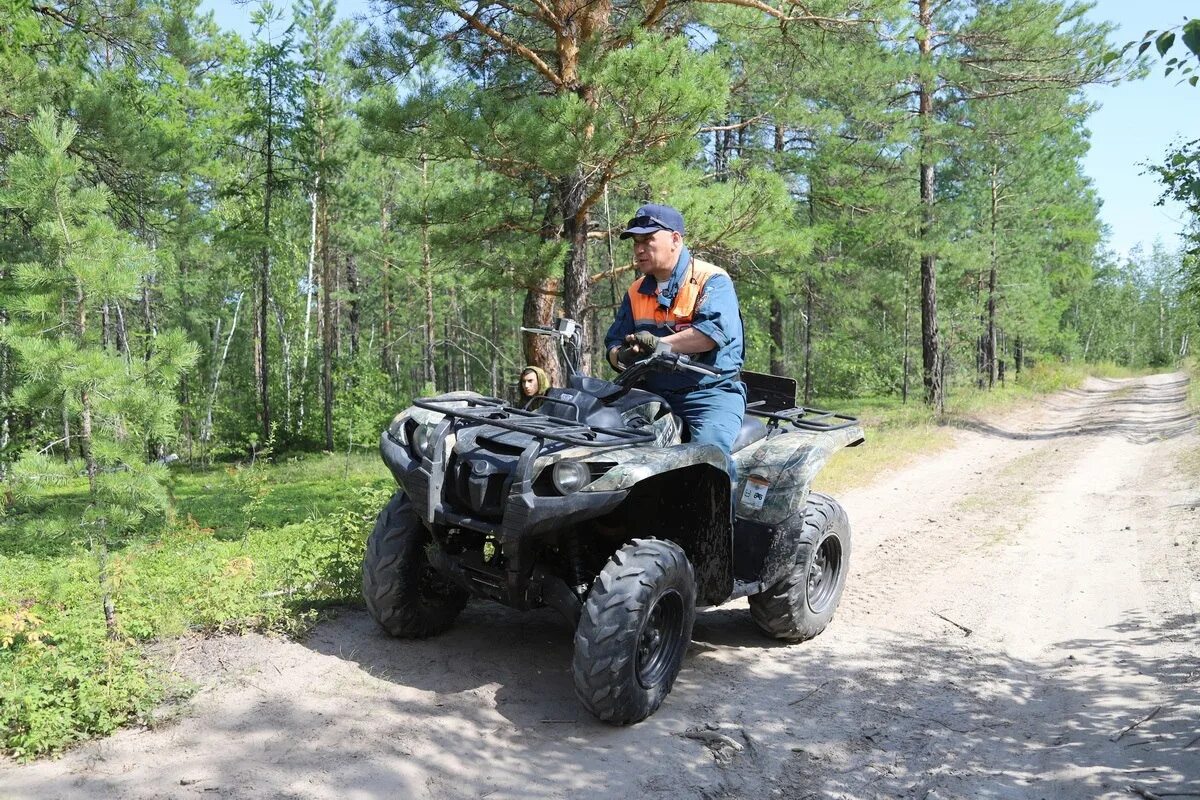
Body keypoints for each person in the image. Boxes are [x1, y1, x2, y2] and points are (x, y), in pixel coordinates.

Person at [604, 203, 745, 479]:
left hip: (708, 394)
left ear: (675, 239)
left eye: (647, 240)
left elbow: (708, 336)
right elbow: (612, 345)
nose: (639, 249)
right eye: (635, 242)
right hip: (652, 394)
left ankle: (718, 521)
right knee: (603, 443)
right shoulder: (636, 291)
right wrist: (622, 357)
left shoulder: (711, 280)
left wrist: (658, 345)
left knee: (709, 461)